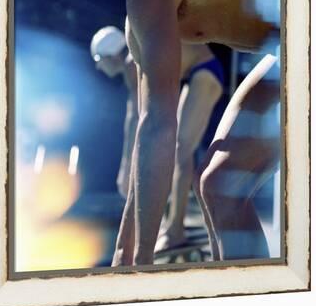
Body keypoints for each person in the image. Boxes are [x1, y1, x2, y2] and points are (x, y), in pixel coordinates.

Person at [39, 0, 280, 266]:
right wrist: (126, 249)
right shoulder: (137, 6)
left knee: (219, 182)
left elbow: (158, 126)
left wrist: (138, 260)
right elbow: (146, 131)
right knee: (221, 186)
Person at [90, 26, 224, 250]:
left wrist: (126, 166)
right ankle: (171, 224)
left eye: (99, 60)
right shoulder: (132, 59)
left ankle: (175, 231)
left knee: (181, 150)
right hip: (195, 73)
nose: (98, 67)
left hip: (205, 71)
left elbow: (135, 117)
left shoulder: (132, 63)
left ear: (111, 55)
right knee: (176, 149)